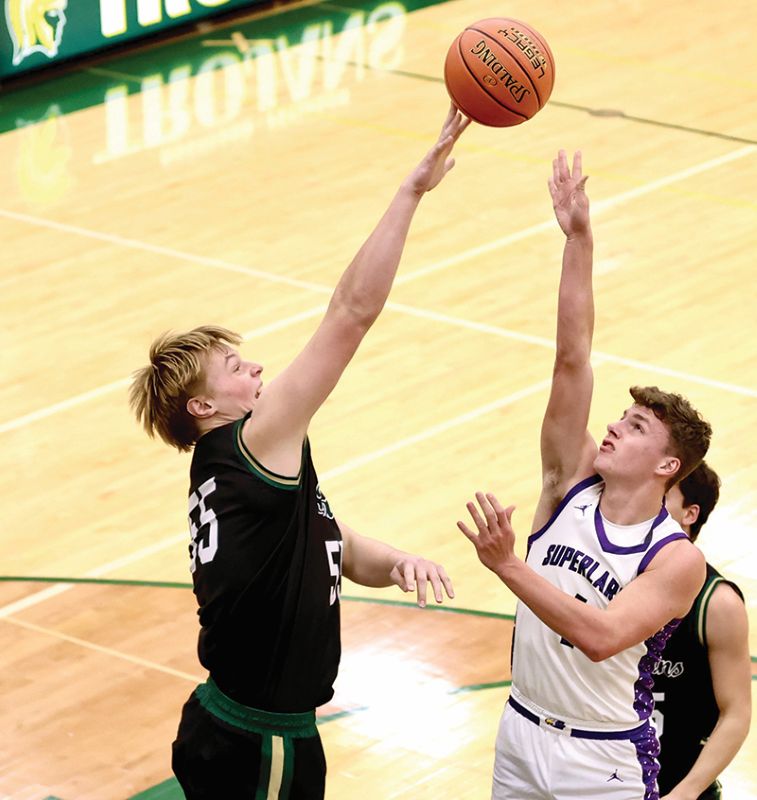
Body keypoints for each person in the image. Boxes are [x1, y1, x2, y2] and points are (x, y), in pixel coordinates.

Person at [129, 105, 469, 800]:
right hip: (262, 741)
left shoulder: (239, 473)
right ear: (203, 406)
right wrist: (411, 191)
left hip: (235, 727)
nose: (256, 371)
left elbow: (325, 541)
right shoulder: (249, 441)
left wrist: (394, 560)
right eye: (234, 367)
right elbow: (350, 313)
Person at [457, 150, 713, 800]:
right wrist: (577, 237)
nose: (612, 427)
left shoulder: (674, 558)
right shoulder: (565, 484)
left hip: (601, 764)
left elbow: (600, 637)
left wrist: (508, 566)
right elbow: (571, 360)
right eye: (619, 417)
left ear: (666, 465)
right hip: (518, 734)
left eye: (634, 427)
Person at [656, 462, 751, 800]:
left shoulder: (717, 603)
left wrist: (686, 792)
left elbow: (737, 712)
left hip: (676, 787)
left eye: (661, 496)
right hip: (598, 779)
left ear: (690, 514)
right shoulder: (612, 578)